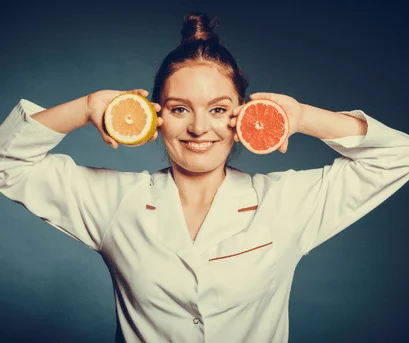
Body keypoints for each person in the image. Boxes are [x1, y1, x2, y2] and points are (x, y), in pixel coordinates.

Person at [0, 11, 408, 343]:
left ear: (242, 115)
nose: (199, 128)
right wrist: (86, 107)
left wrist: (302, 117)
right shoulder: (115, 203)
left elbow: (398, 156)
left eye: (217, 109)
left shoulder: (285, 204)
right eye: (179, 109)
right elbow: (7, 163)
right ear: (157, 117)